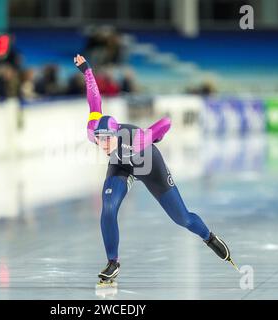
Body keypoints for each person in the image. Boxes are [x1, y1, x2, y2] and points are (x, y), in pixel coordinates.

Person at [73, 54, 236, 285]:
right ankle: (113, 262)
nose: (103, 144)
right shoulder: (94, 130)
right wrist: (87, 70)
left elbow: (166, 122)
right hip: (122, 166)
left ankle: (209, 237)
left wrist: (155, 137)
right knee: (108, 208)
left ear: (116, 134)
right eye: (99, 140)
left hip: (150, 166)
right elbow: (94, 101)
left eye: (107, 139)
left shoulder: (135, 138)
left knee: (183, 219)